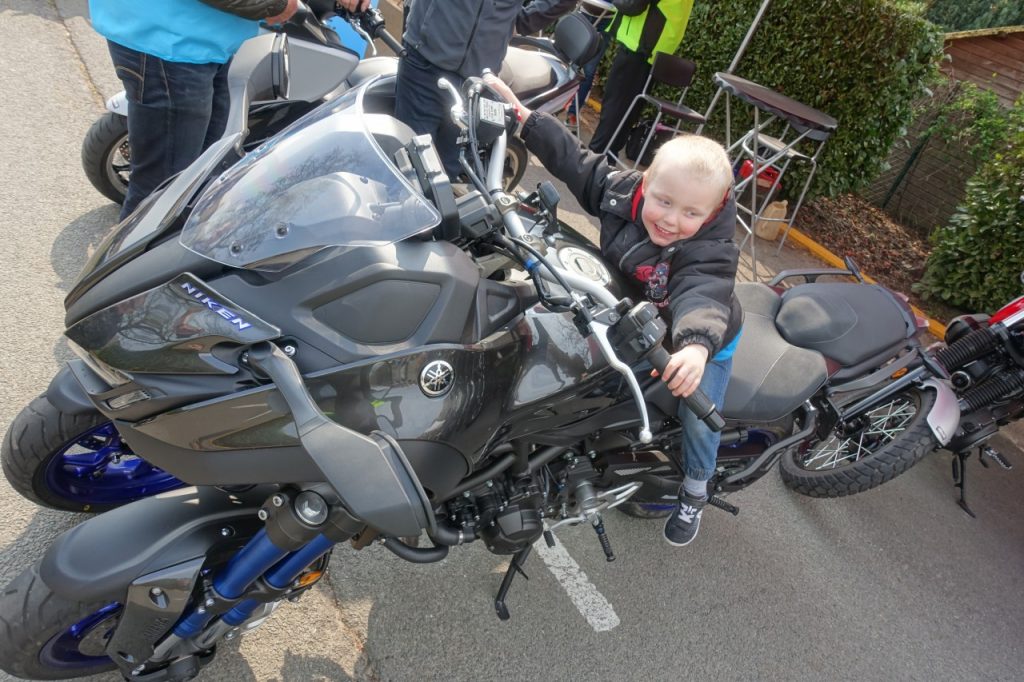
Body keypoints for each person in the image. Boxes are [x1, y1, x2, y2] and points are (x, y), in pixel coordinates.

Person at [485, 73, 742, 546]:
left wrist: (696, 348)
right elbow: (577, 163)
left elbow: (703, 294)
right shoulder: (623, 193)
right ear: (647, 182)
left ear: (712, 212)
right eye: (663, 201)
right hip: (621, 302)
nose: (670, 219)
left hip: (688, 338)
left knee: (698, 413)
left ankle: (696, 488)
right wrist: (526, 122)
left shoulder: (711, 250)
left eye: (691, 213)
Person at [88, 0, 369, 220]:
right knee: (160, 194)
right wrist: (275, 5)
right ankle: (123, 288)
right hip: (168, 42)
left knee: (202, 173)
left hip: (203, 39)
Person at [396, 0, 577, 178]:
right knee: (406, 163)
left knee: (445, 175)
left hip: (478, 79)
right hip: (425, 58)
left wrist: (521, 20)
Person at [587, 0, 696, 158]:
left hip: (641, 44)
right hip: (653, 46)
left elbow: (632, 5)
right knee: (629, 110)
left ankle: (595, 159)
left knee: (615, 108)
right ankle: (606, 159)